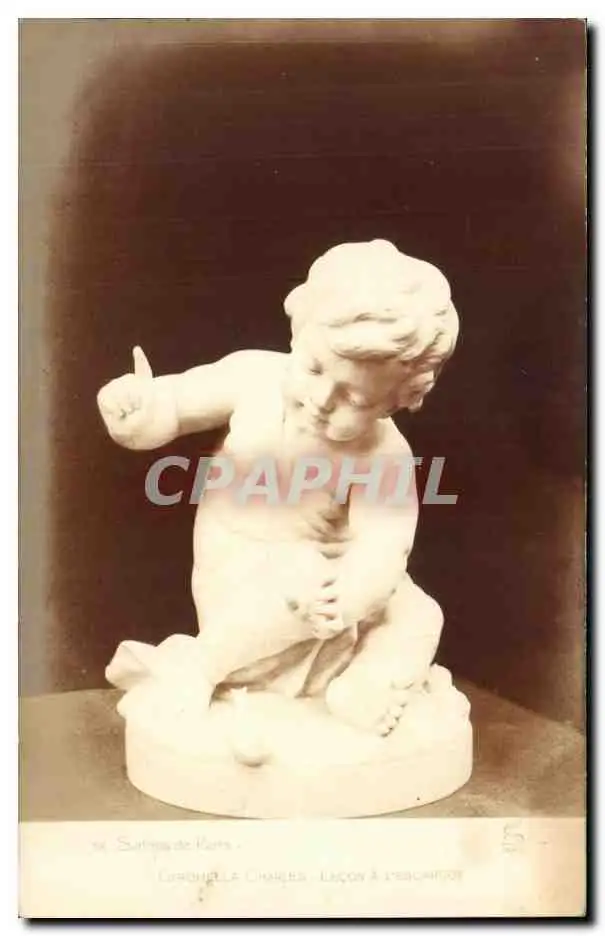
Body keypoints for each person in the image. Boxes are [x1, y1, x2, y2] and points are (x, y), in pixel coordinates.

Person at [98, 239, 459, 735]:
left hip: (332, 600)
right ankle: (200, 665)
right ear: (298, 335)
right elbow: (176, 405)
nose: (321, 398)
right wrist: (138, 411)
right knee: (302, 574)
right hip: (242, 589)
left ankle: (367, 684)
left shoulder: (384, 457)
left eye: (354, 399)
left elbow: (385, 549)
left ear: (396, 402)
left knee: (418, 614)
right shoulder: (253, 376)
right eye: (313, 368)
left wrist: (351, 596)